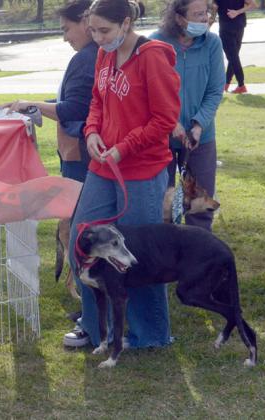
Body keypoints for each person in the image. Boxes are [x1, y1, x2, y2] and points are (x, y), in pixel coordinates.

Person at [63, 0, 181, 349]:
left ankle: (151, 334)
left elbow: (164, 119)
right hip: (102, 166)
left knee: (136, 253)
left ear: (126, 24)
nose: (98, 39)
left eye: (104, 31)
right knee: (80, 243)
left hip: (141, 170)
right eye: (93, 31)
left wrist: (123, 147)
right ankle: (95, 326)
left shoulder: (153, 57)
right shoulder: (102, 54)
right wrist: (92, 132)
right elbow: (97, 101)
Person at [0, 0, 98, 183]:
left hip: (81, 154)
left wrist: (34, 105)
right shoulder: (95, 54)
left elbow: (75, 109)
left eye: (66, 29)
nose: (65, 38)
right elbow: (78, 101)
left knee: (77, 209)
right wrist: (32, 105)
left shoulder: (85, 58)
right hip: (86, 152)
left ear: (85, 23)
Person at [152, 0, 225, 231]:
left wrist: (198, 125)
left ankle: (199, 257)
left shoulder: (212, 43)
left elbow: (215, 90)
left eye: (206, 12)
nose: (205, 19)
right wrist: (171, 123)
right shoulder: (156, 42)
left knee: (201, 206)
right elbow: (150, 91)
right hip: (161, 136)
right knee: (162, 205)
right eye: (198, 14)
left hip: (200, 138)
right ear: (179, 18)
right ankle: (167, 257)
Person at [213, 0, 255, 93]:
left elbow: (213, 8)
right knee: (234, 57)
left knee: (233, 57)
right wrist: (238, 12)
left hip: (226, 28)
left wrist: (208, 23)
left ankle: (241, 85)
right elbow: (252, 4)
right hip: (239, 25)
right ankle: (226, 83)